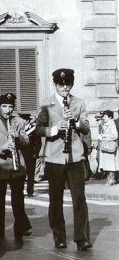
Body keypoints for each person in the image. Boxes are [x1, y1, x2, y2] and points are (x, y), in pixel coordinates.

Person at [34, 68, 92, 250]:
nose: (65, 88)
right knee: (56, 199)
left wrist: (74, 120)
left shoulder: (79, 103)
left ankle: (81, 238)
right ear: (55, 85)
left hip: (75, 157)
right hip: (55, 157)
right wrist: (55, 129)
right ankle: (59, 237)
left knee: (79, 199)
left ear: (72, 84)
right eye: (61, 85)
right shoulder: (47, 104)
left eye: (68, 85)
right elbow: (38, 129)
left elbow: (86, 128)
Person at [0, 93, 32, 240]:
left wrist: (18, 137)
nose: (7, 110)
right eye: (4, 106)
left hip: (16, 168)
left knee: (18, 201)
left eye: (10, 106)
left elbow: (27, 142)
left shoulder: (19, 121)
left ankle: (19, 230)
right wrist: (2, 147)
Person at [97, 110, 117, 186]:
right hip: (106, 146)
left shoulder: (111, 124)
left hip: (109, 147)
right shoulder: (105, 124)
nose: (103, 118)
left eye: (105, 116)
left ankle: (111, 179)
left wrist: (104, 136)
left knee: (110, 164)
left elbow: (115, 135)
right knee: (107, 164)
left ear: (110, 117)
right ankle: (110, 179)